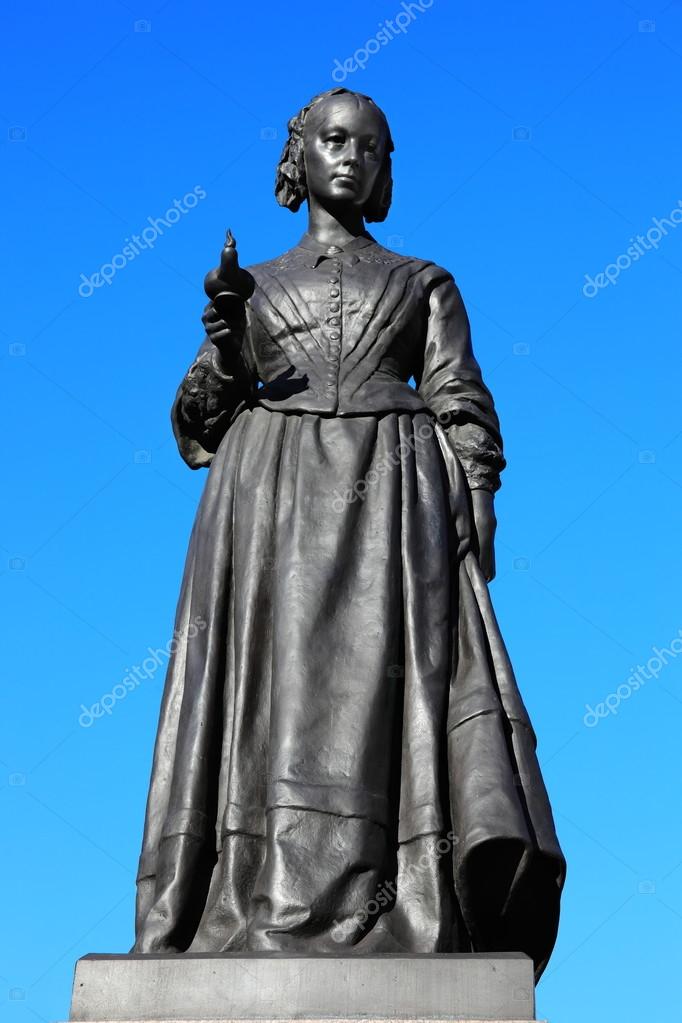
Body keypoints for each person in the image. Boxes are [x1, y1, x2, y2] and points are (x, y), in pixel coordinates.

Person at [133, 87, 565, 978]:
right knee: (269, 703)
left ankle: (397, 897)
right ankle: (251, 894)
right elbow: (194, 424)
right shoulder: (253, 290)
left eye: (371, 147)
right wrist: (224, 351)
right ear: (298, 155)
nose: (351, 157)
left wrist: (476, 498)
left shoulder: (423, 281)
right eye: (334, 140)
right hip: (267, 502)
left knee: (382, 699)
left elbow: (461, 399)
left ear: (385, 169)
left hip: (393, 505)